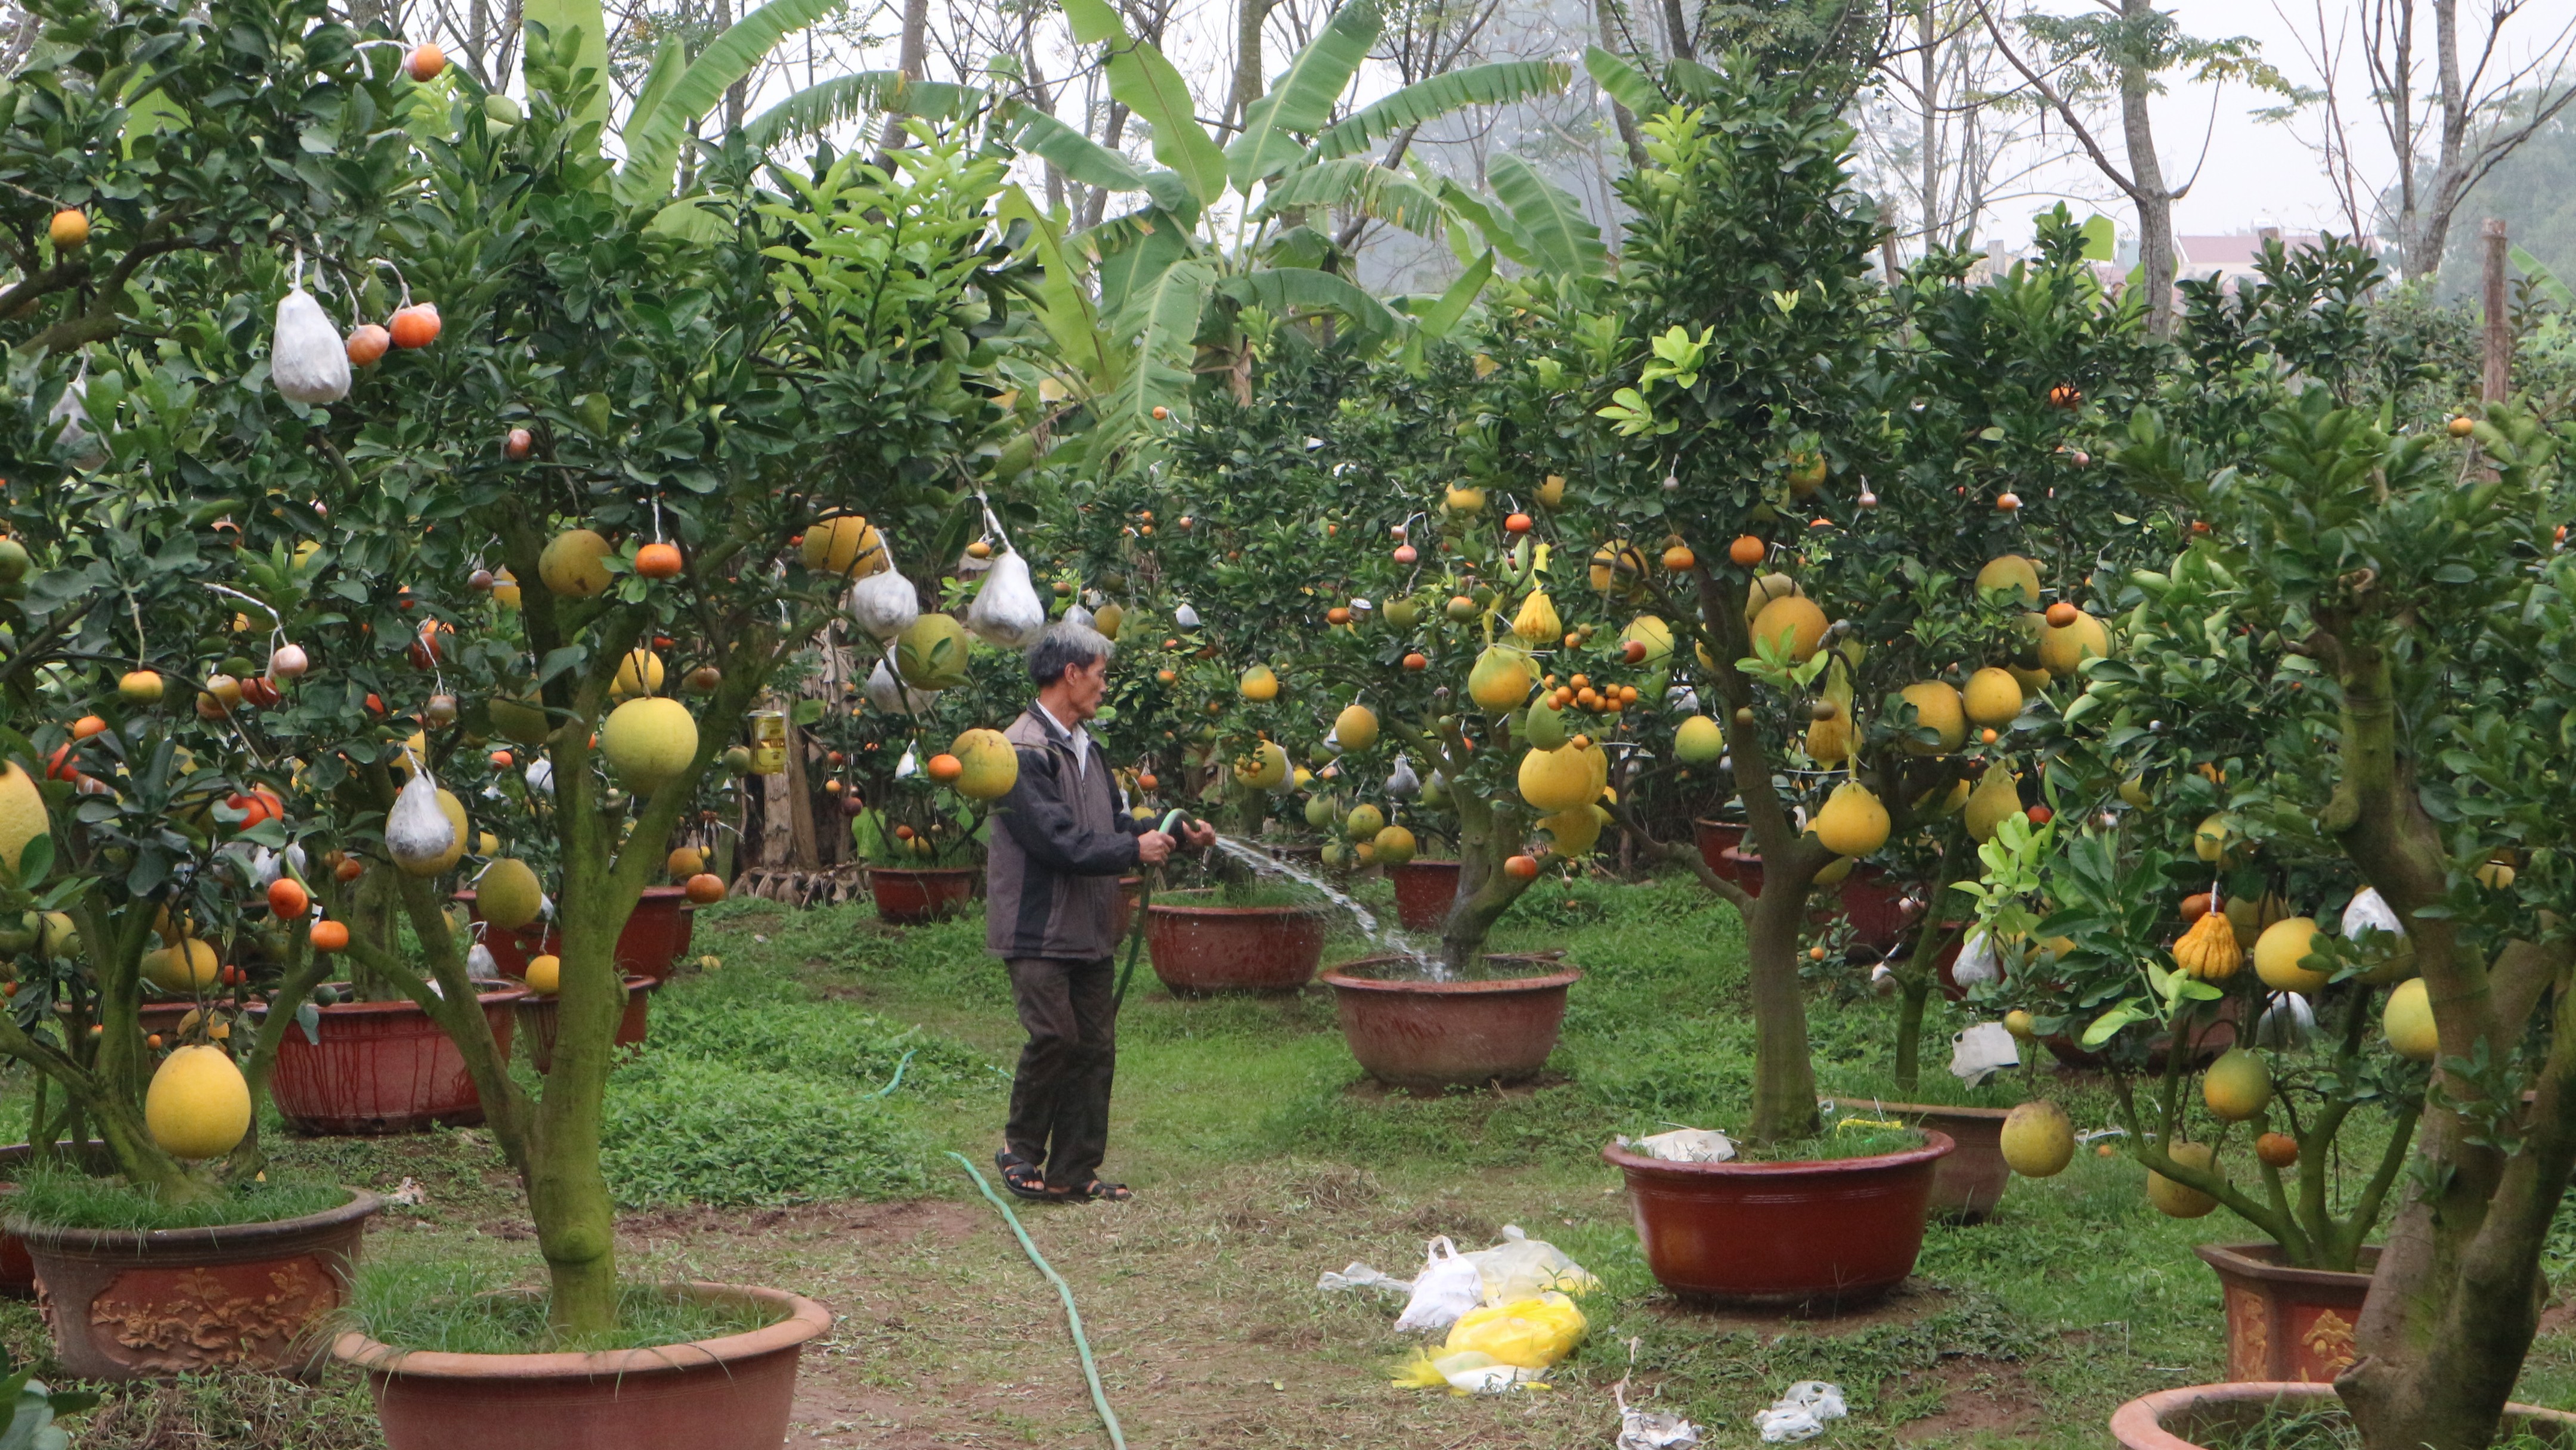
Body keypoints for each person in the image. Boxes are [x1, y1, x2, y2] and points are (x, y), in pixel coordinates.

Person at [986, 620, 1212, 1203]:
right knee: (1055, 1035)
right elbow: (1055, 840)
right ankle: (1020, 1150)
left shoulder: (1089, 746)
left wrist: (1174, 831)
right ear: (1071, 673)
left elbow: (1109, 827)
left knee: (1094, 1045)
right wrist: (1130, 848)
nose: (1105, 687)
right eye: (1101, 675)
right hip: (1037, 927)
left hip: (1089, 924)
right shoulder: (1021, 750)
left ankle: (1073, 1170)